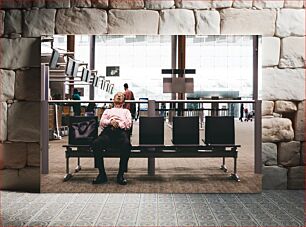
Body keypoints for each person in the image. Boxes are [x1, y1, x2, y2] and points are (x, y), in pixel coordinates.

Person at [92, 92, 132, 185]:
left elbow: (128, 124)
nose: (119, 96)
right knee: (96, 144)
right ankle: (102, 174)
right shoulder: (107, 111)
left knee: (127, 145)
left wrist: (118, 124)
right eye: (117, 95)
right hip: (108, 132)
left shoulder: (126, 111)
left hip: (121, 132)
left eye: (121, 96)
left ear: (123, 101)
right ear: (113, 100)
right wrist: (111, 121)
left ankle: (120, 175)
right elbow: (102, 122)